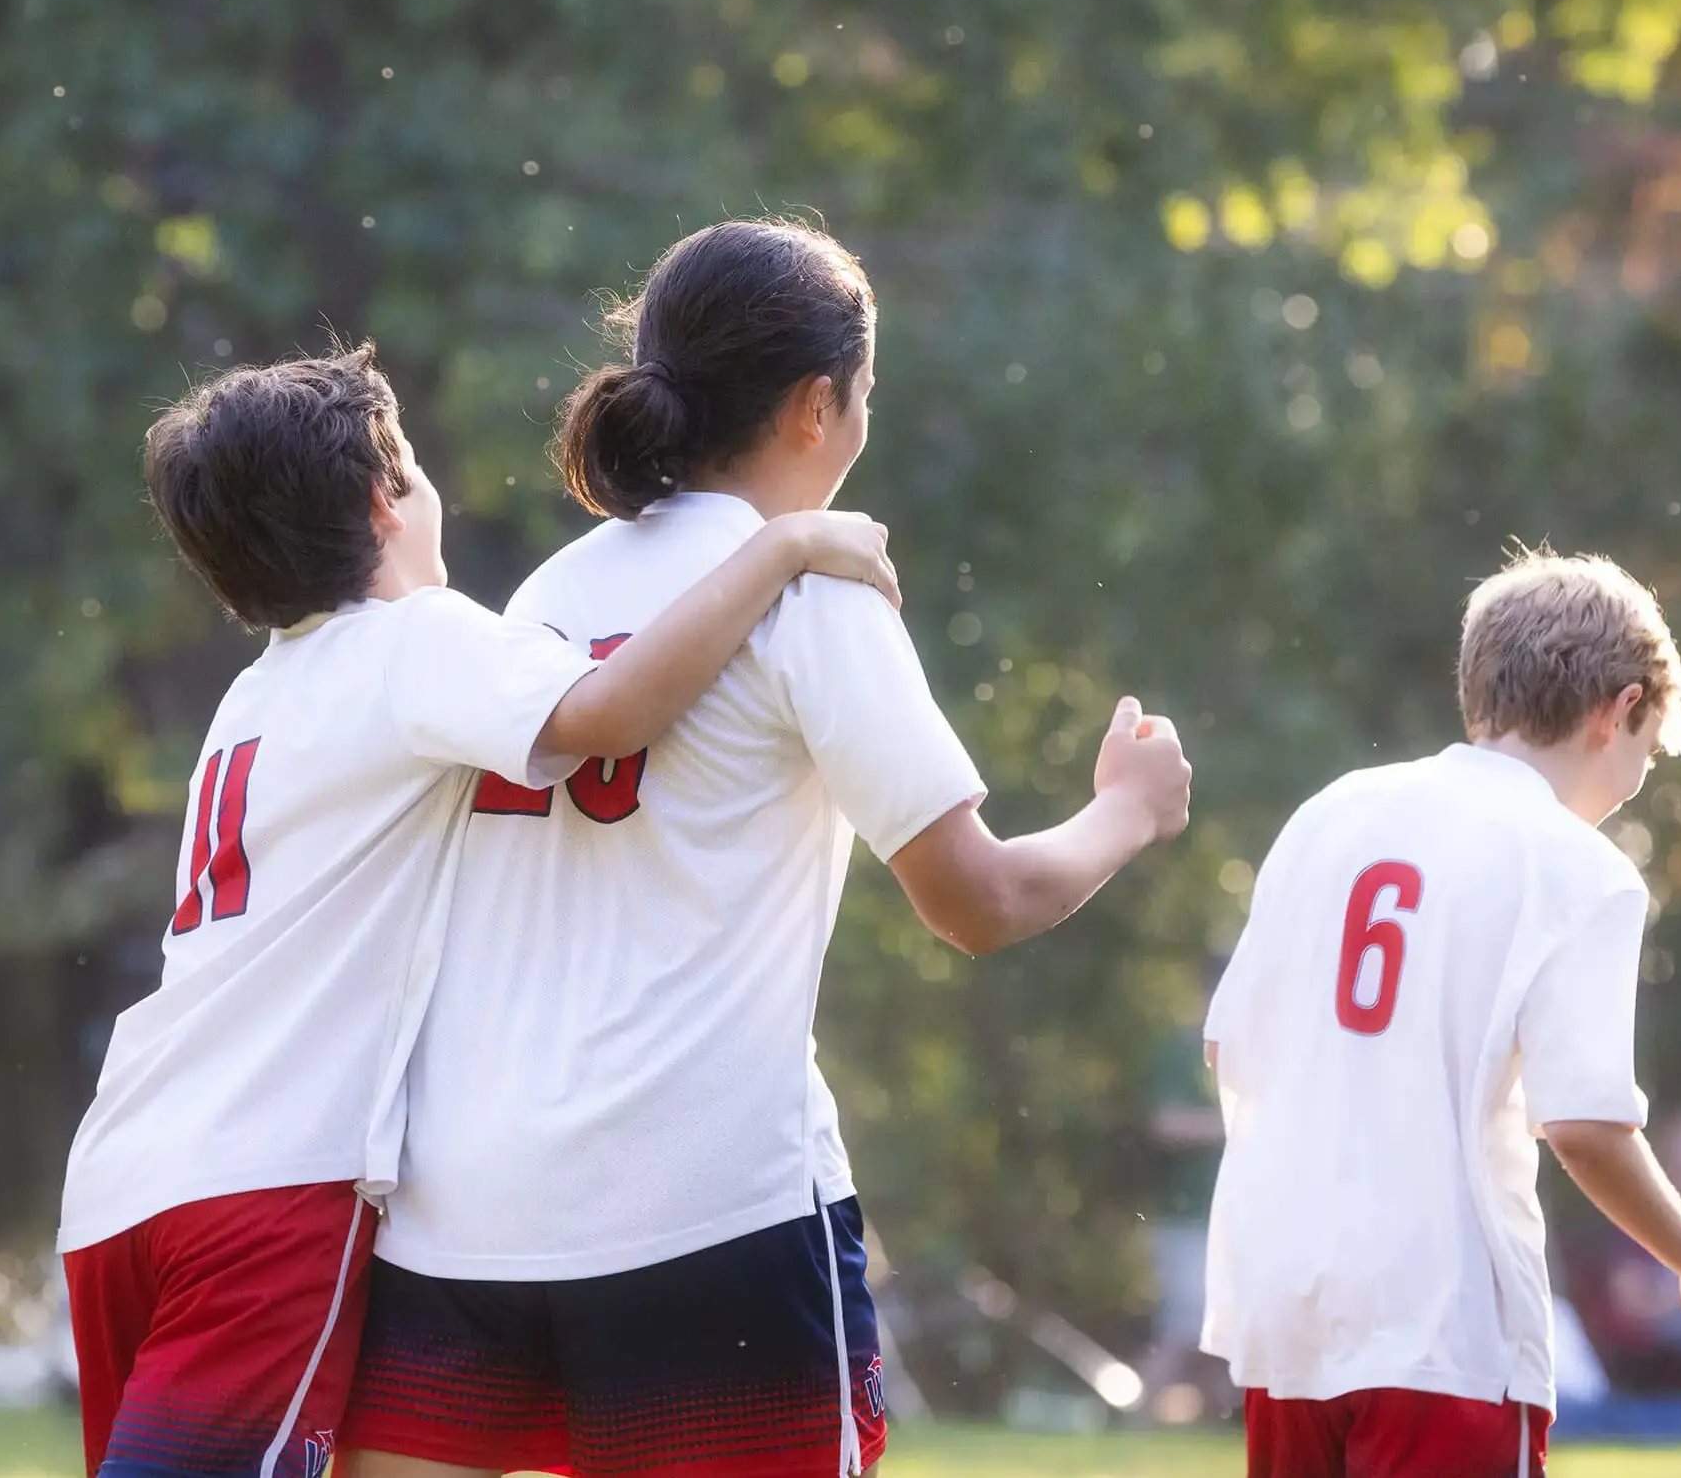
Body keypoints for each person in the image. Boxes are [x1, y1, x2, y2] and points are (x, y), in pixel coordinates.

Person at [345, 219, 1194, 1478]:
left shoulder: (544, 593)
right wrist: (1128, 809)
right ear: (817, 405)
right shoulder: (813, 590)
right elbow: (977, 899)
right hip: (697, 1210)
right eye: (866, 390)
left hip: (468, 1210)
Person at [57, 345, 900, 1478]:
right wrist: (783, 543)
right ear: (382, 497)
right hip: (265, 1186)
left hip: (123, 1180)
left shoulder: (251, 695)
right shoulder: (417, 639)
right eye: (410, 462)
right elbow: (605, 711)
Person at [1200, 548, 1681, 1478]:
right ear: (1619, 708)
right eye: (1646, 752)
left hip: (1288, 1311)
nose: (1635, 783)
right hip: (1445, 1325)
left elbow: (1230, 1045)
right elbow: (1585, 1125)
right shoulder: (1578, 867)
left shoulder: (1331, 812)